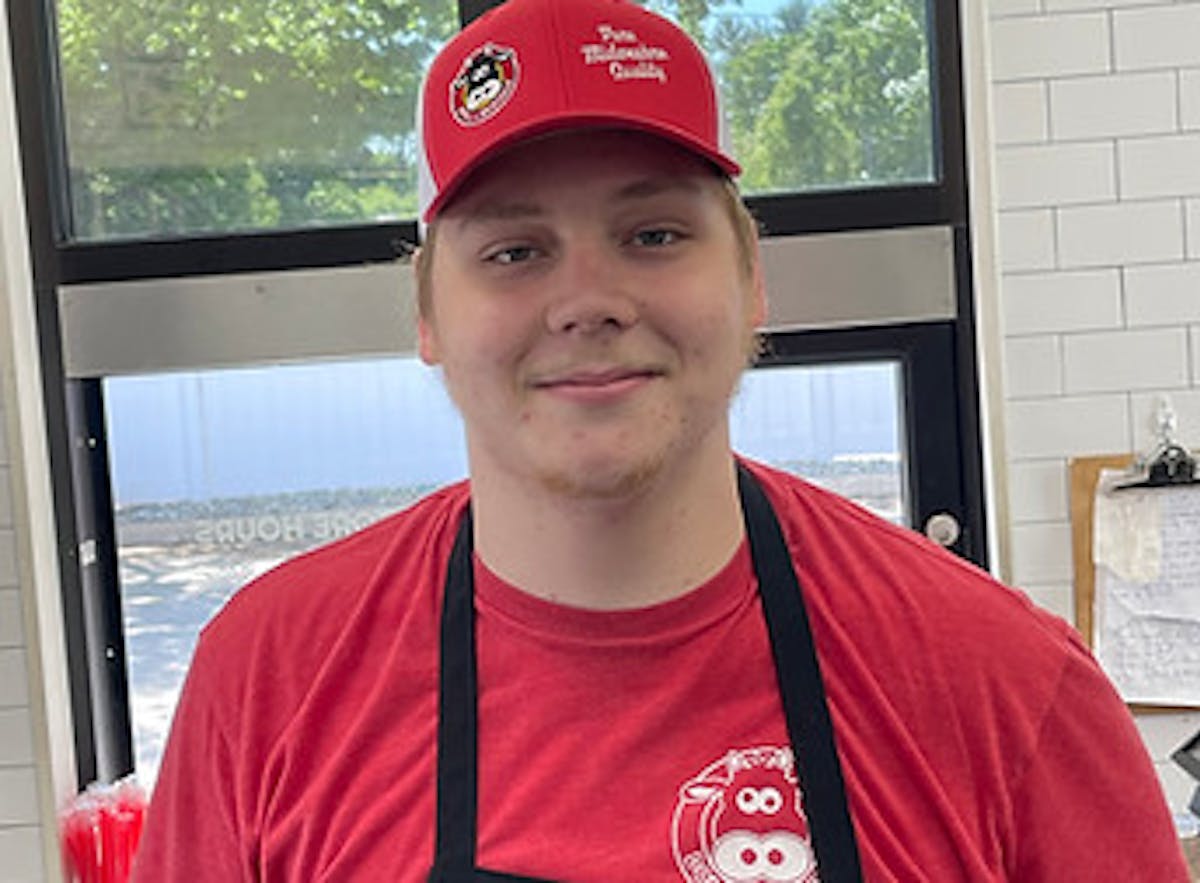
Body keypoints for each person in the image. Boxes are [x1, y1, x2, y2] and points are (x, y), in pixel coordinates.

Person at [131, 0, 1190, 880]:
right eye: (513, 250)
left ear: (752, 281)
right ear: (426, 317)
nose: (587, 300)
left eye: (653, 234)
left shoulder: (1004, 685)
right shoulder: (268, 682)